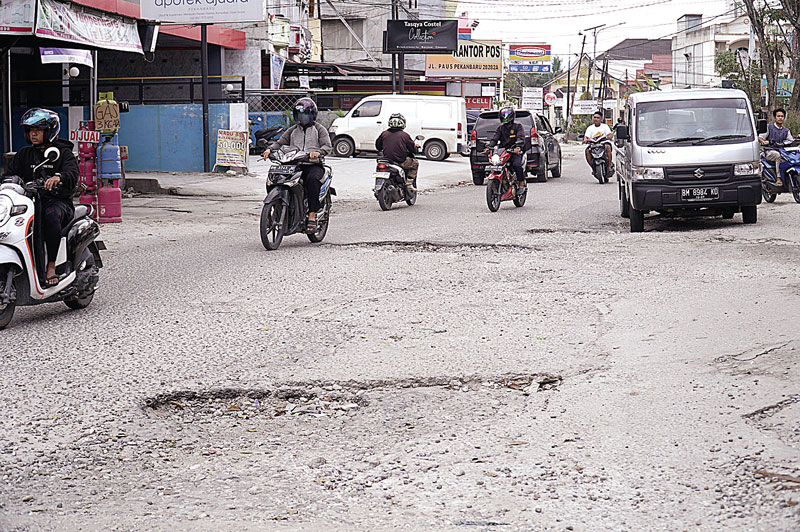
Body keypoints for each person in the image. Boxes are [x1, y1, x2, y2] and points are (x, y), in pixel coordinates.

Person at [4, 108, 78, 286]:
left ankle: (51, 265)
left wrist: (58, 177)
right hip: (29, 202)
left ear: (50, 131)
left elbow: (72, 174)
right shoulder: (24, 154)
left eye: (38, 130)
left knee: (50, 216)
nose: (33, 134)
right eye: (30, 131)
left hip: (57, 202)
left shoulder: (63, 153)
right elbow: (10, 175)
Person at [262, 98, 332, 232]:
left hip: (312, 165)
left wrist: (318, 152)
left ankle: (311, 215)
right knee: (275, 177)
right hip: (293, 164)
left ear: (312, 115)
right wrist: (269, 149)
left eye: (305, 115)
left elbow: (327, 146)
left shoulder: (319, 129)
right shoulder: (292, 130)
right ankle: (274, 209)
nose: (302, 118)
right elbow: (280, 142)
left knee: (312, 180)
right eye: (299, 115)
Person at [484, 106, 526, 191]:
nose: (505, 117)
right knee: (495, 164)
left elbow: (521, 138)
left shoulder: (518, 126)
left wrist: (518, 147)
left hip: (515, 151)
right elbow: (495, 139)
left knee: (516, 165)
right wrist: (489, 147)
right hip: (503, 151)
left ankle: (521, 184)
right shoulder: (500, 128)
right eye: (503, 115)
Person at [375, 113, 418, 192]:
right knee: (415, 163)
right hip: (400, 161)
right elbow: (412, 149)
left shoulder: (384, 134)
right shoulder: (405, 135)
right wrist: (416, 148)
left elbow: (378, 146)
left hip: (386, 161)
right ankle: (408, 184)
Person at [759, 108, 794, 186]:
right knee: (777, 155)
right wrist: (764, 142)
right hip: (769, 151)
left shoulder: (786, 130)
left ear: (784, 118)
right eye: (778, 116)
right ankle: (779, 177)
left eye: (782, 116)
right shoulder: (769, 127)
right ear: (775, 118)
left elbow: (791, 140)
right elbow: (760, 138)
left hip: (782, 151)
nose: (780, 118)